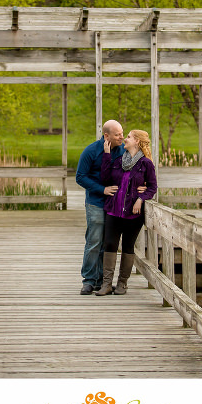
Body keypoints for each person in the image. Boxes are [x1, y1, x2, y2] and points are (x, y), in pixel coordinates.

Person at [96, 129, 157, 296]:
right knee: (110, 244)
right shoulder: (118, 160)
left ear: (137, 141)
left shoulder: (146, 164)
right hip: (114, 211)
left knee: (128, 247)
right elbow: (105, 178)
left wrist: (141, 198)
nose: (125, 139)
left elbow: (152, 187)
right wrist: (107, 155)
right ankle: (106, 284)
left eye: (128, 137)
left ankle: (122, 284)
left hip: (133, 213)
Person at [75, 120, 125, 295]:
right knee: (94, 241)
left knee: (108, 242)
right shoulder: (91, 151)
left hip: (115, 204)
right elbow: (80, 177)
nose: (122, 137)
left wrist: (143, 185)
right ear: (106, 136)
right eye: (118, 134)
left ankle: (104, 280)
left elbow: (137, 169)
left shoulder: (123, 150)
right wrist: (102, 190)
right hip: (96, 201)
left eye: (122, 133)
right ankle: (88, 280)